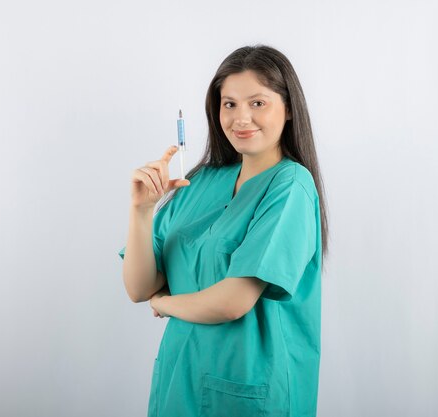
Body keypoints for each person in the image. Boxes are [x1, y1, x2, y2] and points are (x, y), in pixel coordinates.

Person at [119, 44, 329, 417]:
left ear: (290, 108)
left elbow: (234, 301)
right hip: (179, 380)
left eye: (257, 103)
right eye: (229, 104)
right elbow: (139, 287)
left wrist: (166, 303)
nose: (240, 118)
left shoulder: (291, 187)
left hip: (249, 389)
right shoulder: (199, 182)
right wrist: (141, 211)